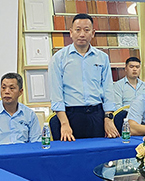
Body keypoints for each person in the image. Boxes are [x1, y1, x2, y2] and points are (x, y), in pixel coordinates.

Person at [48, 13, 119, 141]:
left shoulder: (102, 58)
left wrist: (108, 119)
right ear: (71, 32)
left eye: (86, 30)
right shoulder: (59, 58)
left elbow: (108, 89)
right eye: (78, 30)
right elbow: (56, 94)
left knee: (98, 151)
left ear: (93, 33)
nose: (82, 34)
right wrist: (64, 123)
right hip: (70, 115)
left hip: (96, 114)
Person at [0, 72, 41, 145]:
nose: (7, 92)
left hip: (23, 151)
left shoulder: (29, 114)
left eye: (11, 88)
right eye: (3, 88)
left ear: (20, 92)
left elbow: (36, 143)